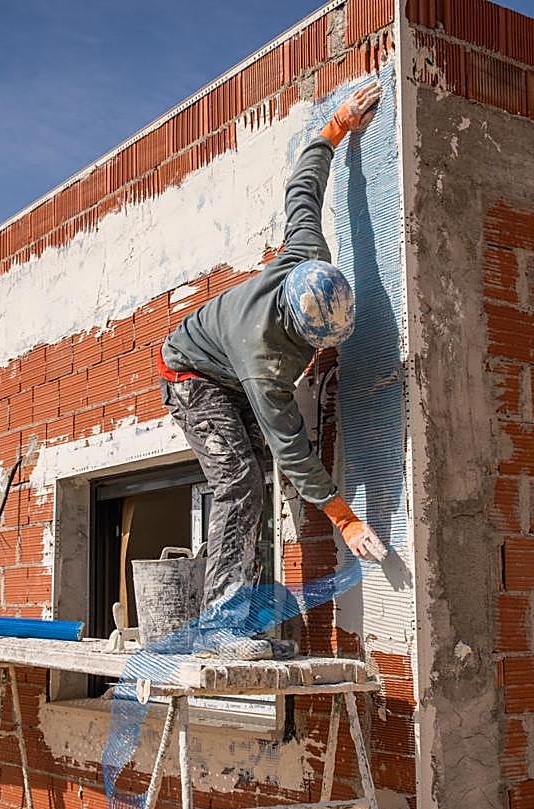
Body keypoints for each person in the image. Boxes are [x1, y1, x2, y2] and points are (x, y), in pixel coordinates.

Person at [157, 80, 388, 661]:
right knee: (238, 481)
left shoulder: (307, 258)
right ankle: (220, 628)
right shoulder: (264, 357)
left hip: (226, 371)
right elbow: (291, 448)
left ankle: (243, 609)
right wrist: (345, 517)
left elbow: (304, 191)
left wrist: (335, 128)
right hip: (191, 373)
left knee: (256, 485)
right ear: (292, 320)